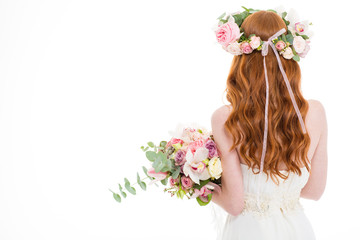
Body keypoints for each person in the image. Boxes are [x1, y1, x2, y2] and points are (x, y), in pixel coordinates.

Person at [209, 9, 328, 240]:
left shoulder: (225, 118)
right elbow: (314, 191)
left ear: (240, 59)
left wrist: (197, 184)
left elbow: (234, 204)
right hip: (297, 231)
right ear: (290, 58)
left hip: (247, 231)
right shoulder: (316, 112)